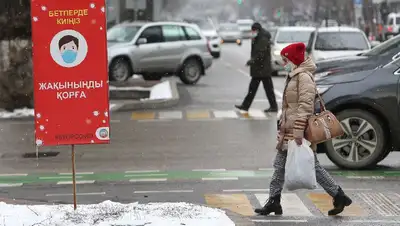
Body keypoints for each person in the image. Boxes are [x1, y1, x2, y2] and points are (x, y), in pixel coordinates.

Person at [254, 42, 352, 216]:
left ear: (294, 59)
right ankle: (274, 201)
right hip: (289, 130)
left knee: (313, 167)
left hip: (298, 131)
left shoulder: (303, 77)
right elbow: (289, 106)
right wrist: (282, 125)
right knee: (279, 166)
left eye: (286, 60)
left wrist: (298, 131)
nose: (284, 64)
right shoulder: (295, 75)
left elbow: (305, 106)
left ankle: (338, 195)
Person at [235, 22, 278, 113]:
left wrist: (252, 61)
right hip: (261, 69)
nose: (252, 32)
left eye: (253, 30)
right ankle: (246, 106)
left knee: (259, 89)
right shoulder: (259, 37)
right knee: (260, 89)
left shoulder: (262, 39)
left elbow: (260, 54)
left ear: (257, 30)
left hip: (262, 69)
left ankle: (246, 106)